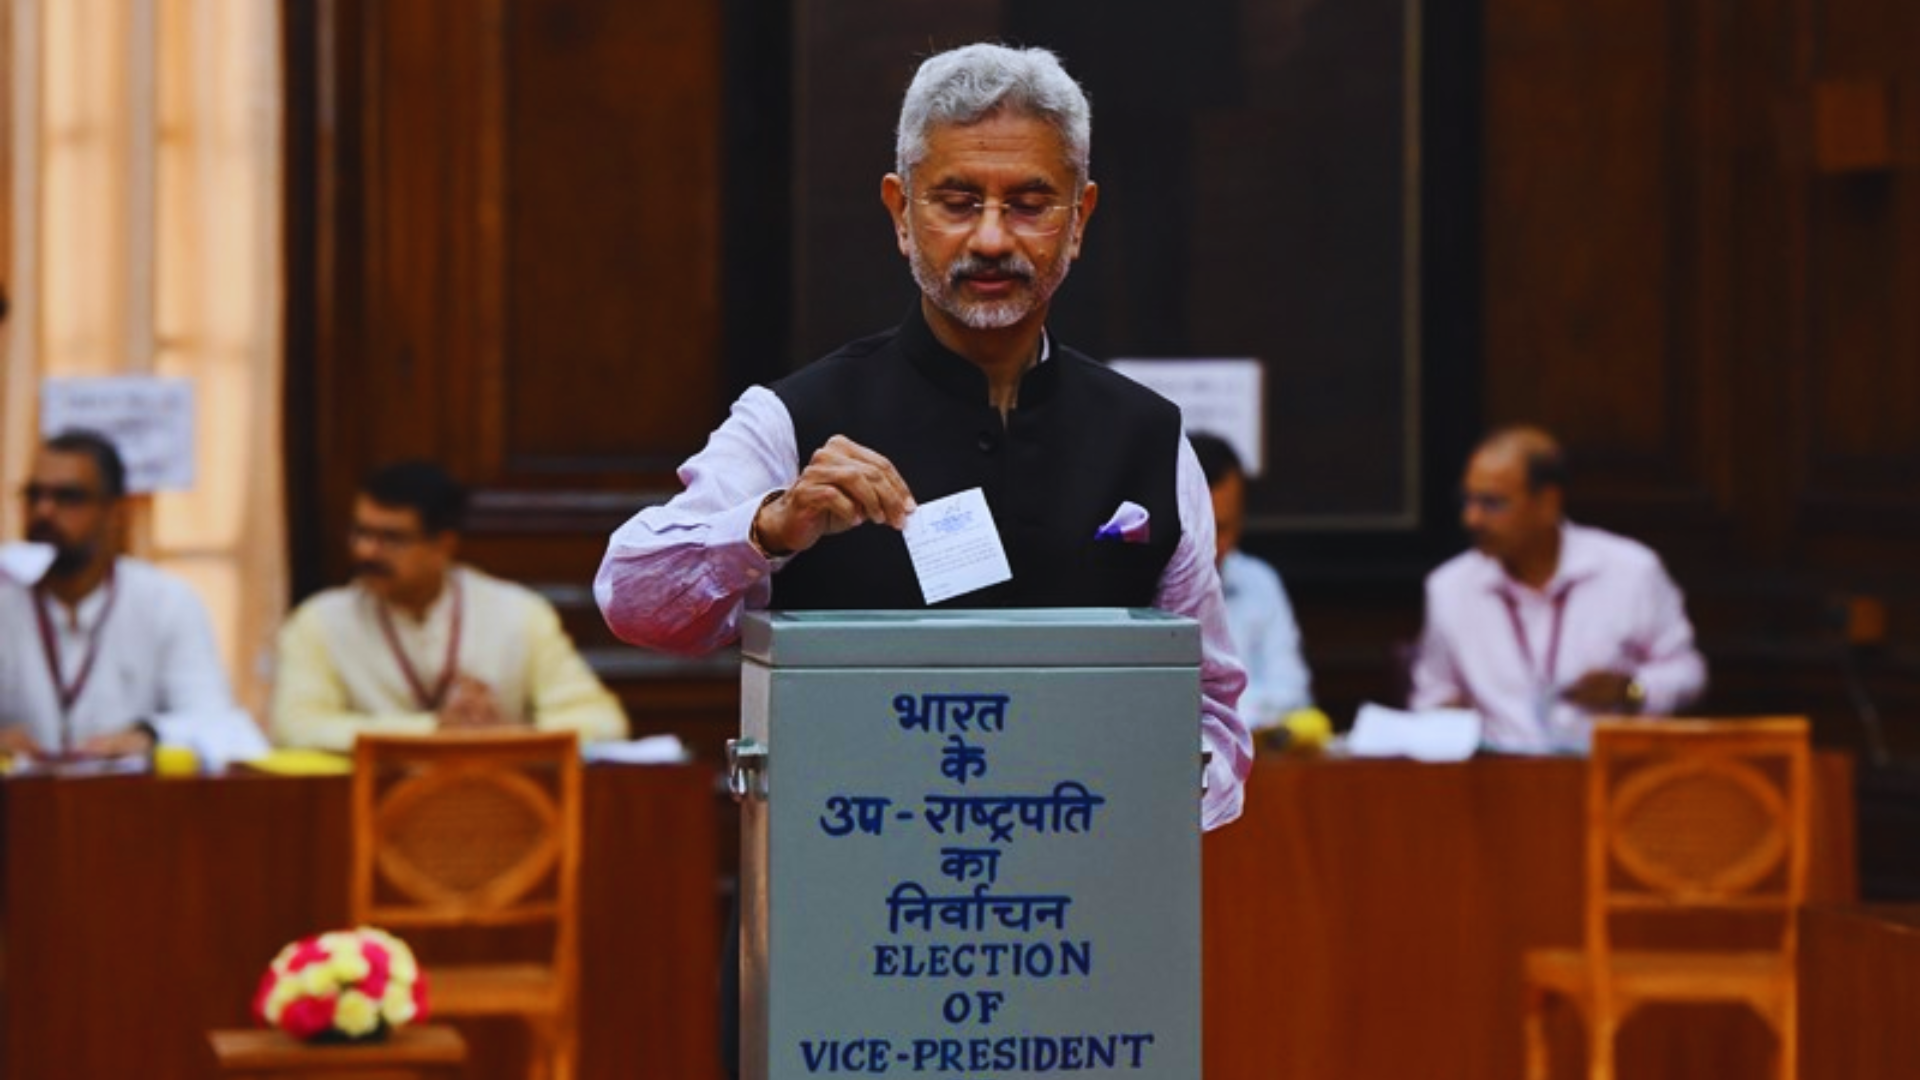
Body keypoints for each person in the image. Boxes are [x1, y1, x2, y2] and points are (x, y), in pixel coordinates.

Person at [594, 42, 1250, 828]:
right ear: (901, 213)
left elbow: (1210, 713)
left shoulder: (1147, 436)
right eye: (957, 200)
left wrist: (1107, 821)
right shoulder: (793, 419)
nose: (992, 240)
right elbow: (631, 601)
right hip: (844, 902)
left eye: (1031, 204)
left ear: (1080, 220)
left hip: (1072, 922)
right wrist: (770, 526)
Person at [272, 460, 628, 751]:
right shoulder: (319, 620)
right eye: (361, 533)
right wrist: (434, 731)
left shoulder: (518, 613)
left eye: (391, 538)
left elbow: (605, 721)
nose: (366, 551)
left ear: (443, 544)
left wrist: (508, 735)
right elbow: (295, 730)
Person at [1408, 425, 1706, 752]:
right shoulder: (1450, 587)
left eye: (1492, 503)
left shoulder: (1630, 570)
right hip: (1498, 776)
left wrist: (1631, 690)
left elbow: (1688, 672)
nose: (1472, 518)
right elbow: (1432, 694)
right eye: (1468, 500)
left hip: (1606, 772)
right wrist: (1444, 716)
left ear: (1547, 503)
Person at [0, 429, 238, 757]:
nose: (44, 512)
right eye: (34, 495)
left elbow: (217, 723)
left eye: (67, 497)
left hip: (131, 801)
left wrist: (150, 736)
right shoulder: (6, 596)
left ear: (115, 512)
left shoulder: (166, 602)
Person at [1189, 432, 1313, 730]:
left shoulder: (1261, 582)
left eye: (1224, 528)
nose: (1214, 546)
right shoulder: (1134, 585)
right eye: (1200, 528)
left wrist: (1204, 712)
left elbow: (1294, 697)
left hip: (1253, 763)